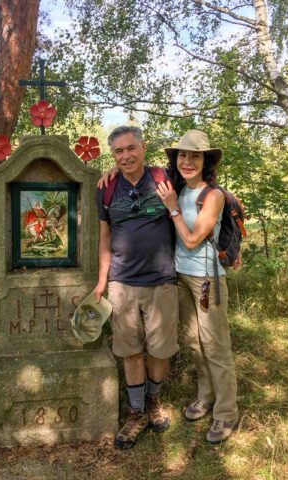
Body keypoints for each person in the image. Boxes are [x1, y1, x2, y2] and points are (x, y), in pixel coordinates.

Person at [94, 126, 179, 450]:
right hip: (122, 283)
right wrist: (103, 281)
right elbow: (105, 238)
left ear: (143, 148)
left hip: (161, 281)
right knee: (129, 350)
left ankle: (153, 400)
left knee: (159, 350)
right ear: (112, 155)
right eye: (118, 151)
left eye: (131, 148)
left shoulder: (162, 179)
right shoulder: (106, 188)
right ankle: (136, 412)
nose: (126, 156)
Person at [156, 129, 239, 444]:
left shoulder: (212, 195)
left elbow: (191, 240)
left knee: (215, 346)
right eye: (182, 155)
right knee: (193, 342)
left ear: (206, 161)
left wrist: (173, 207)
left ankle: (226, 413)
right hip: (181, 276)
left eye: (195, 155)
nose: (187, 161)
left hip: (206, 279)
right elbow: (132, 169)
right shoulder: (177, 187)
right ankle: (206, 397)